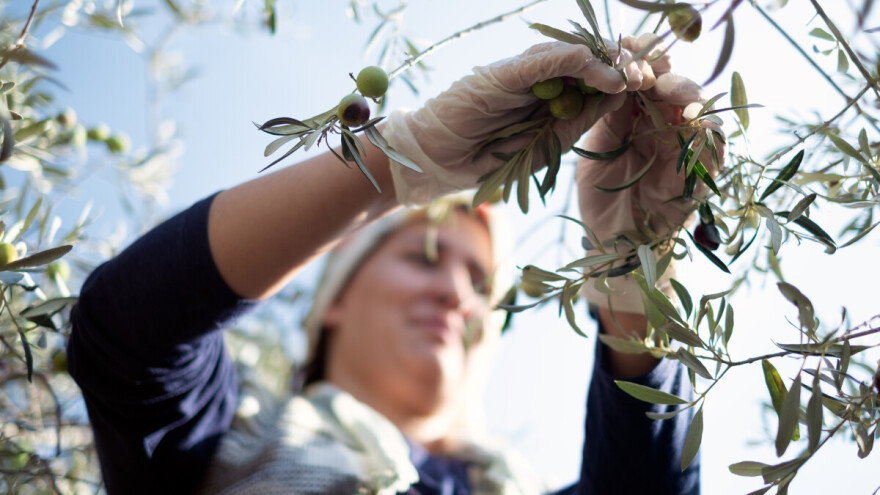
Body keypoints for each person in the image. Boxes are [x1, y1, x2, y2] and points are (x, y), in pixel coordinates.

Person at [67, 34, 721, 494]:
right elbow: (125, 335)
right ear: (339, 294)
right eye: (426, 256)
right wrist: (402, 159)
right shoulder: (227, 445)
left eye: (479, 285)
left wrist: (632, 277)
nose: (454, 295)